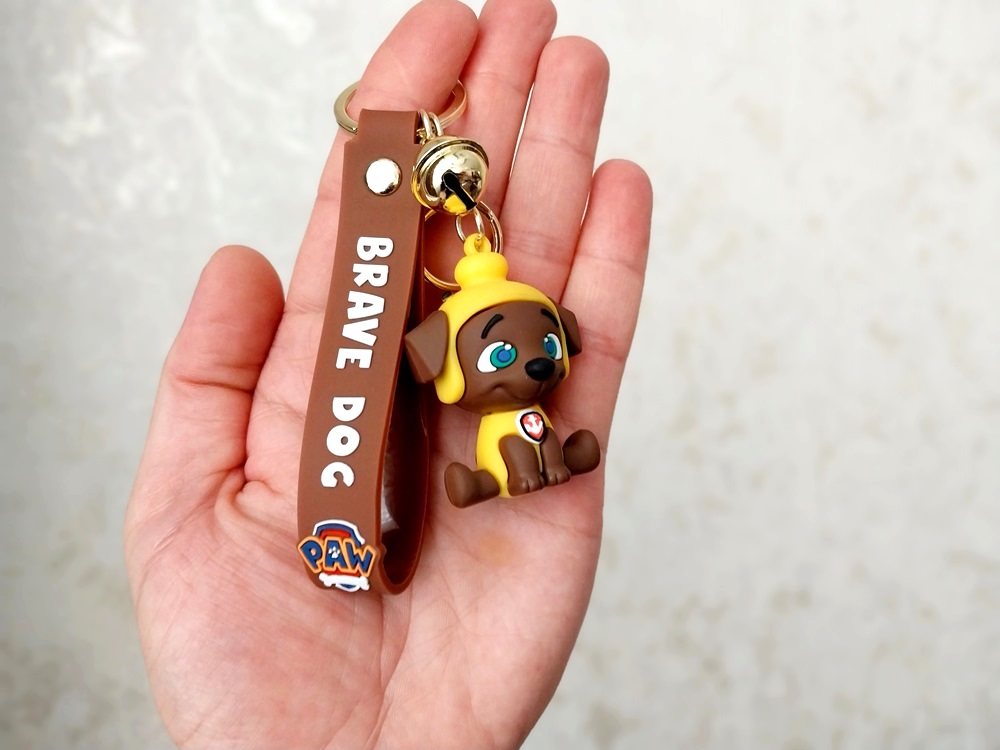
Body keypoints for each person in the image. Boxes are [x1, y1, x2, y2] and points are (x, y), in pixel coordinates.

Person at [124, 0, 652, 747]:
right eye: (502, 353)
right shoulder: (430, 340)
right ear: (442, 363)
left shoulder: (527, 336)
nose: (535, 356)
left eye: (544, 342)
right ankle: (488, 479)